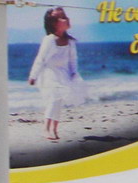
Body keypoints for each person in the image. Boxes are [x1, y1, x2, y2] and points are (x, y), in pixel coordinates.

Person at [28, 7, 87, 141]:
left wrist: (74, 73)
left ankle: (54, 129)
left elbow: (73, 59)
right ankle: (45, 128)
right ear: (53, 23)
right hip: (49, 73)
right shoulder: (49, 40)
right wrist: (33, 76)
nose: (66, 19)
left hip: (63, 74)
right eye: (62, 18)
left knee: (59, 101)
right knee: (54, 97)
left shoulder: (70, 42)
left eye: (65, 16)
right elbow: (40, 59)